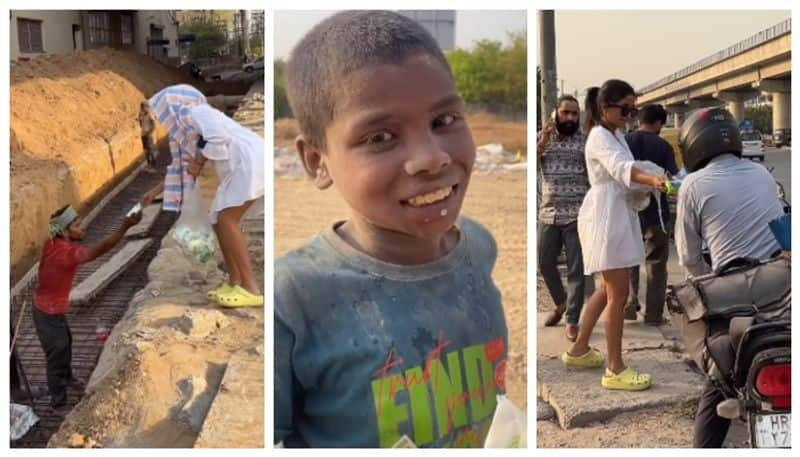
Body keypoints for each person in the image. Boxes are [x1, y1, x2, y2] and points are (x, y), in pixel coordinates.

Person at [275, 11, 508, 448]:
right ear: (316, 161)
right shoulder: (293, 300)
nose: (431, 157)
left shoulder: (479, 247)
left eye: (443, 121)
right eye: (379, 138)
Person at [673, 107, 784, 447]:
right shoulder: (761, 173)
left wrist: (714, 283)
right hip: (782, 284)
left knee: (719, 375)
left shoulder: (691, 185)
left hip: (733, 295)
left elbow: (689, 258)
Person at [561, 79, 666, 391]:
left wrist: (653, 176)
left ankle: (578, 349)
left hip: (615, 214)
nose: (630, 115)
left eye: (633, 109)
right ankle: (615, 368)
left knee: (606, 290)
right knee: (618, 295)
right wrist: (653, 180)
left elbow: (630, 168)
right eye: (625, 108)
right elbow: (623, 168)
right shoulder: (598, 137)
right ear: (605, 107)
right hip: (605, 217)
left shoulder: (614, 133)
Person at [142, 84, 265, 307]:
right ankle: (234, 280)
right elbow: (184, 165)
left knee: (227, 221)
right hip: (242, 167)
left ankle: (251, 288)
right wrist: (154, 192)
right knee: (218, 220)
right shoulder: (196, 131)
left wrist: (199, 162)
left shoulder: (198, 112)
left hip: (249, 163)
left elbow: (217, 140)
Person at [33, 205, 141, 412]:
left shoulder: (52, 242)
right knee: (57, 353)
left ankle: (68, 377)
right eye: (76, 225)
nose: (82, 228)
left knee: (66, 343)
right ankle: (58, 400)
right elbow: (102, 248)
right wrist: (124, 227)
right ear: (64, 231)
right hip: (46, 311)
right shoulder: (65, 254)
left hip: (53, 307)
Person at [537, 95, 591, 341]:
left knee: (576, 270)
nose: (570, 118)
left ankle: (572, 320)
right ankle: (561, 302)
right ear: (555, 113)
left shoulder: (585, 140)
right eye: (566, 112)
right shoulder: (543, 138)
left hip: (577, 214)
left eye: (574, 113)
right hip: (549, 213)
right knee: (545, 262)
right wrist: (544, 139)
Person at [624, 104, 678, 325]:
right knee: (655, 262)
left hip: (627, 211)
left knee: (628, 260)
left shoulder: (624, 143)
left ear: (639, 120)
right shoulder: (663, 146)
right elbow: (672, 182)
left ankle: (628, 303)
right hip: (656, 214)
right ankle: (654, 315)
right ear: (658, 124)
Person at [139, 101, 158, 171]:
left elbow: (154, 125)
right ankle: (148, 164)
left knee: (150, 150)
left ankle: (153, 165)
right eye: (141, 108)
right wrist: (140, 118)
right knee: (146, 150)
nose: (142, 109)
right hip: (143, 134)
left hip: (148, 135)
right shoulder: (141, 115)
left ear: (147, 108)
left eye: (143, 107)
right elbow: (141, 124)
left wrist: (149, 133)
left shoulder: (150, 115)